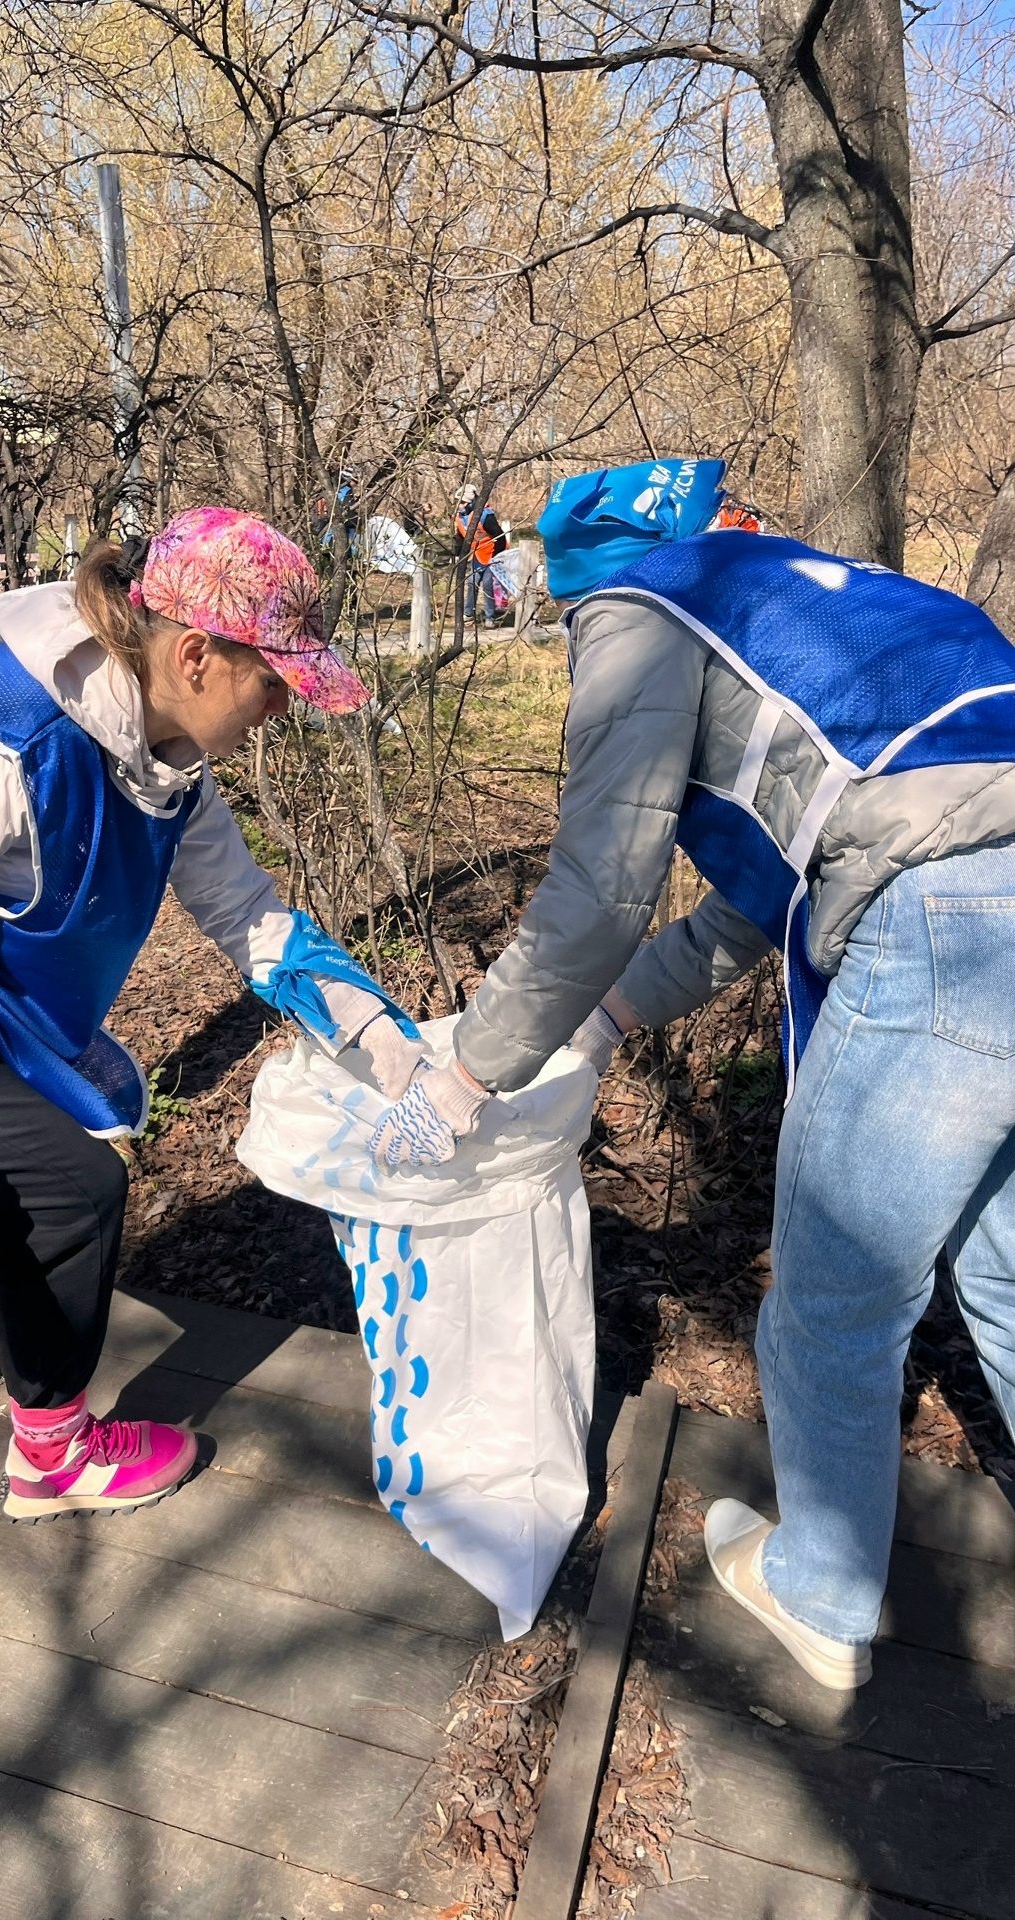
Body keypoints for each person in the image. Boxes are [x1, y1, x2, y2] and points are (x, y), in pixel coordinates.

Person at [371, 455, 1015, 1692]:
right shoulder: (791, 591)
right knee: (1000, 1268)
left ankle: (822, 1594)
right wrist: (607, 1018)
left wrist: (466, 1076)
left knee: (838, 1295)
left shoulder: (638, 606)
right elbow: (752, 907)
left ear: (588, 586)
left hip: (946, 914)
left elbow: (602, 883)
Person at [0, 506, 426, 1522]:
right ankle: (52, 1459)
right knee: (67, 1189)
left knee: (62, 1187)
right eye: (275, 684)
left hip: (4, 1021)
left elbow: (248, 914)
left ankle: (47, 1447)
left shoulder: (169, 767)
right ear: (198, 656)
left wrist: (382, 1038)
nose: (283, 712)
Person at [454, 484, 508, 625]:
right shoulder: (459, 518)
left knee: (487, 584)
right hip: (479, 554)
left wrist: (496, 557)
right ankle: (468, 614)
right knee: (472, 582)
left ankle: (490, 617)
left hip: (494, 553)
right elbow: (460, 538)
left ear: (470, 503)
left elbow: (500, 537)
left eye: (462, 503)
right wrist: (456, 555)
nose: (458, 506)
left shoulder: (485, 516)